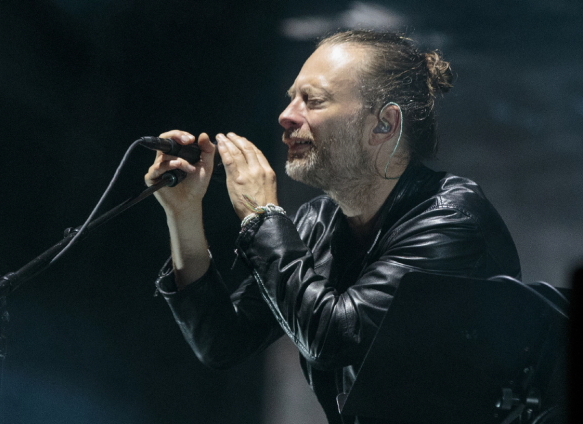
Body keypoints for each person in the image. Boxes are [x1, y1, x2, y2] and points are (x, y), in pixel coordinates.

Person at [144, 30, 521, 424]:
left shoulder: (451, 220)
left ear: (384, 124)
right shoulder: (316, 222)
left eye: (313, 100)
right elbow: (223, 342)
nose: (286, 116)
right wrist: (183, 215)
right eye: (292, 97)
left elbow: (337, 338)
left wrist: (262, 217)